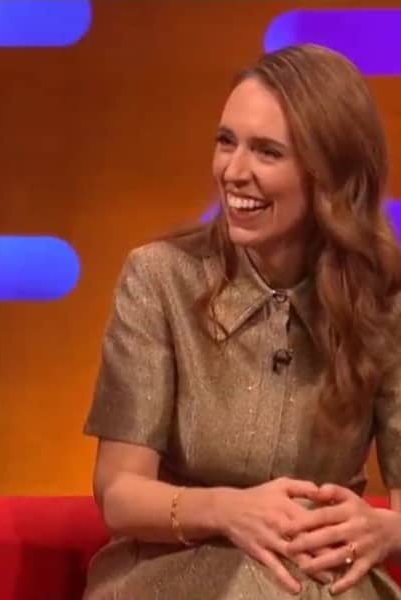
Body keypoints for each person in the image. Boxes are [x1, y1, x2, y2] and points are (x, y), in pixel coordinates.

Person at [83, 43, 401, 599]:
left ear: (328, 174)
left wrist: (384, 529)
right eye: (226, 142)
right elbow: (120, 494)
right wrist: (230, 511)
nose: (234, 171)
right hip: (173, 568)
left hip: (321, 575)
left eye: (268, 152)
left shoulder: (385, 298)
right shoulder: (161, 279)